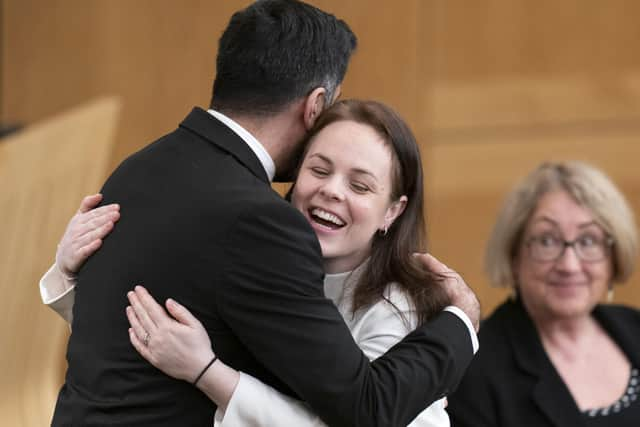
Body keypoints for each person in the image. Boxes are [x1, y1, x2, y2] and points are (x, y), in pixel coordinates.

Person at [42, 1, 480, 426]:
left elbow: (122, 340)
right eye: (321, 168)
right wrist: (461, 321)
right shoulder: (262, 221)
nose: (331, 191)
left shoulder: (135, 171)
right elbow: (364, 408)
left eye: (360, 184)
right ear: (315, 105)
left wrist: (66, 275)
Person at [447, 161, 640, 426]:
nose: (569, 266)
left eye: (588, 241)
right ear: (514, 256)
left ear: (613, 256)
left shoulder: (635, 327)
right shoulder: (474, 368)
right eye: (547, 241)